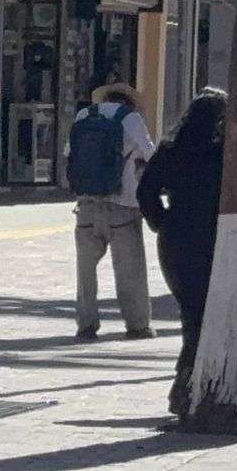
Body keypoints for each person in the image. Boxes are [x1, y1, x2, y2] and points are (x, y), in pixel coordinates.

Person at [136, 90, 226, 415]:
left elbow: (145, 191)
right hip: (213, 238)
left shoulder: (171, 149)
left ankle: (187, 385)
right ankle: (189, 386)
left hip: (177, 240)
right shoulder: (222, 153)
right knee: (207, 317)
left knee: (193, 314)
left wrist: (162, 222)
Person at [69, 83, 156, 341]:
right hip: (123, 205)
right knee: (130, 270)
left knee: (85, 270)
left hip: (86, 203)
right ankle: (137, 325)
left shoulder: (83, 116)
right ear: (128, 102)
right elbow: (150, 153)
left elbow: (69, 154)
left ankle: (86, 324)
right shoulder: (131, 118)